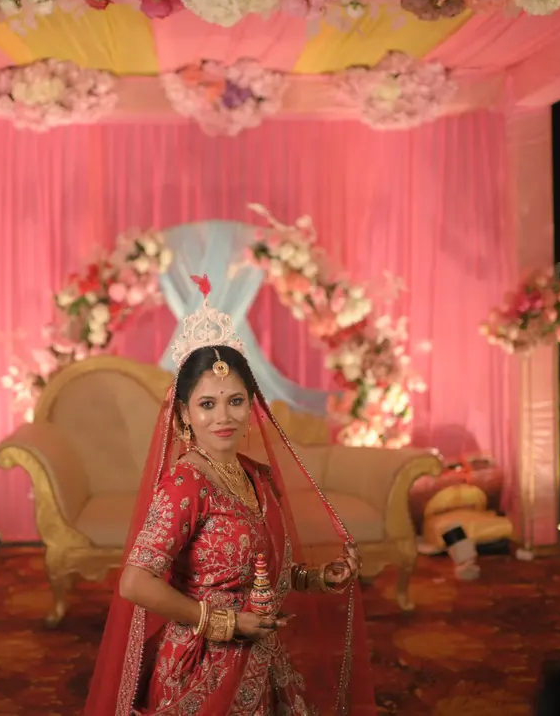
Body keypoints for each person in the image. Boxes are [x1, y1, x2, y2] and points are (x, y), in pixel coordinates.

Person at [85, 275, 376, 716]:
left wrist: (319, 578)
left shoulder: (257, 476)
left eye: (235, 401)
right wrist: (220, 622)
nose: (223, 416)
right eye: (207, 404)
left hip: (262, 657)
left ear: (251, 406)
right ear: (184, 414)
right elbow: (135, 582)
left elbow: (263, 571)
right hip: (201, 667)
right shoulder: (185, 485)